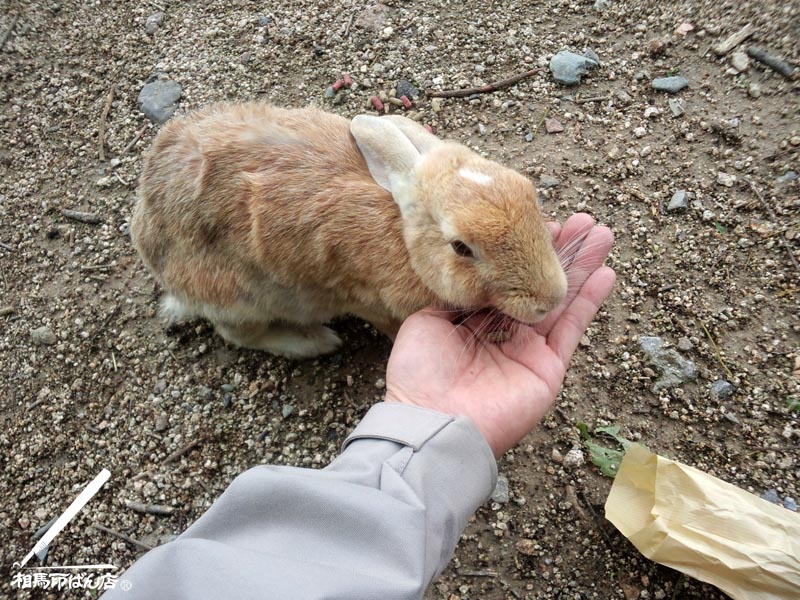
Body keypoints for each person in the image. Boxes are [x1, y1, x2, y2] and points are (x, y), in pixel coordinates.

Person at [103, 214, 615, 599]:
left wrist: (420, 421)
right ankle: (244, 329)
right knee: (262, 296)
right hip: (213, 271)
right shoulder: (394, 264)